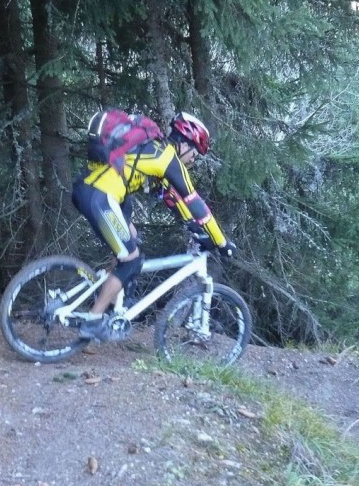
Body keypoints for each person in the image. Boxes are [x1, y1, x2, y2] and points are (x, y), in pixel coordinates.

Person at [71, 111, 236, 341]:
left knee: (132, 239)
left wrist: (197, 231)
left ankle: (114, 295)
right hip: (99, 198)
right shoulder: (167, 157)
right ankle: (93, 320)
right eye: (195, 153)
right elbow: (194, 201)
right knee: (132, 261)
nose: (194, 160)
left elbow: (175, 202)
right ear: (185, 144)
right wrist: (221, 241)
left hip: (95, 191)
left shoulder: (152, 150)